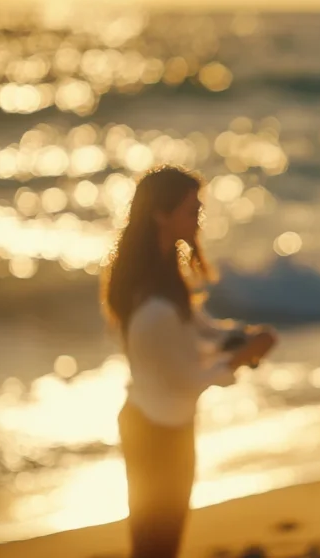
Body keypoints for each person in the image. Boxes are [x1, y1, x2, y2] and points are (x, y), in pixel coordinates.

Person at [101, 165, 278, 558]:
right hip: (154, 432)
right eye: (190, 209)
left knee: (165, 538)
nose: (198, 216)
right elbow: (187, 378)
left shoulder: (164, 273)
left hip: (169, 423)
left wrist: (246, 338)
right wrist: (242, 357)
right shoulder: (152, 304)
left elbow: (201, 331)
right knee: (156, 543)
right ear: (160, 214)